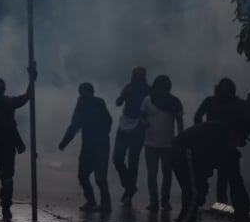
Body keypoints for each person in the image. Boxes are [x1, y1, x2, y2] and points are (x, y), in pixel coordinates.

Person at [194, 79, 250, 203]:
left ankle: (219, 201)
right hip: (215, 144)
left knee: (221, 175)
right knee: (216, 175)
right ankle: (208, 199)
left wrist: (201, 132)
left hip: (222, 145)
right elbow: (198, 116)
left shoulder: (235, 104)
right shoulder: (225, 103)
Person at [0, 67, 35, 221]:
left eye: (0, 90)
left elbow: (27, 96)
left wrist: (32, 79)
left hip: (5, 149)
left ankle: (5, 208)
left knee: (7, 181)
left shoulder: (8, 102)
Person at [171, 121, 244, 222]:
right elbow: (205, 158)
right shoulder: (218, 136)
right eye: (238, 141)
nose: (236, 144)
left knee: (194, 190)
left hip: (183, 152)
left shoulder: (217, 133)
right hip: (186, 151)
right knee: (193, 191)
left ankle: (188, 220)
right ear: (234, 133)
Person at [58, 82, 113, 213]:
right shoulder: (82, 105)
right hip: (88, 146)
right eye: (82, 93)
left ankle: (105, 204)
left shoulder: (98, 103)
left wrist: (101, 135)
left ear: (92, 92)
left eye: (86, 92)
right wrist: (64, 142)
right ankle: (91, 201)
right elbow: (74, 125)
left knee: (100, 178)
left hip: (100, 146)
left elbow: (108, 121)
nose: (84, 95)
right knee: (83, 175)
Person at [140, 75, 183, 211]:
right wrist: (144, 122)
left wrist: (180, 138)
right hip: (150, 143)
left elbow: (179, 121)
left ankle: (165, 200)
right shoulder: (148, 100)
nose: (163, 90)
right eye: (161, 88)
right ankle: (153, 201)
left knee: (167, 174)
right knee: (152, 173)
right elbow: (141, 116)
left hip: (168, 144)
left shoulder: (174, 102)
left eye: (166, 88)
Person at [113, 67, 151, 208]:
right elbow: (118, 102)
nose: (137, 77)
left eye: (139, 75)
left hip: (139, 126)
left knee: (133, 160)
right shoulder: (128, 87)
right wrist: (124, 95)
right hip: (125, 124)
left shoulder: (149, 90)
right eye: (135, 74)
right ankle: (129, 185)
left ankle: (129, 193)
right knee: (117, 158)